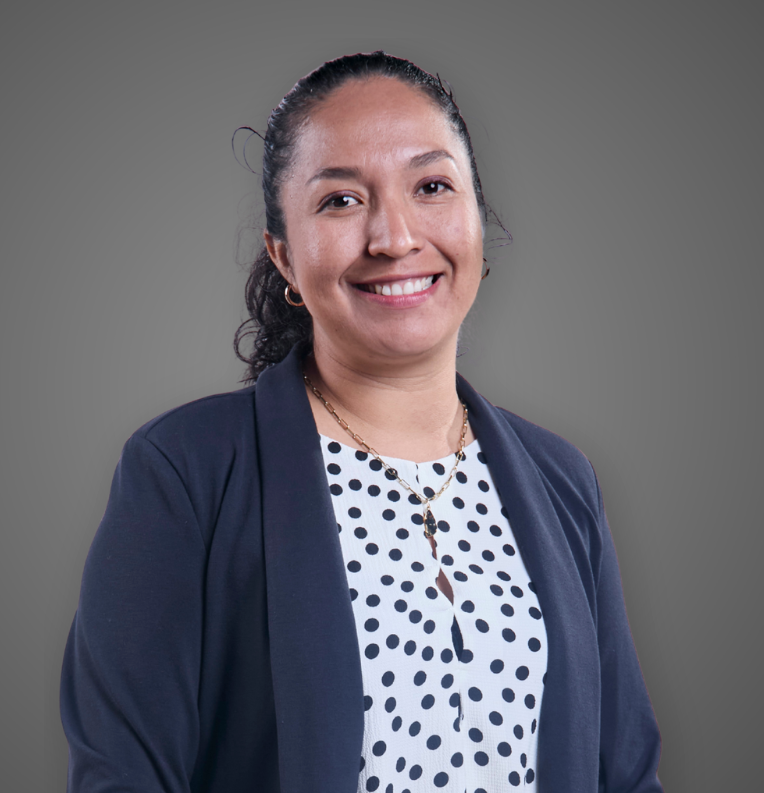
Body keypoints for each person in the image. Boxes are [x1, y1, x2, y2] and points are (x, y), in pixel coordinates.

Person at [60, 52, 664, 793]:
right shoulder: (186, 472)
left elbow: (626, 773)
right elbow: (126, 776)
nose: (394, 236)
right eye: (341, 201)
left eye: (433, 187)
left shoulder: (561, 478)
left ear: (478, 219)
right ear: (283, 255)